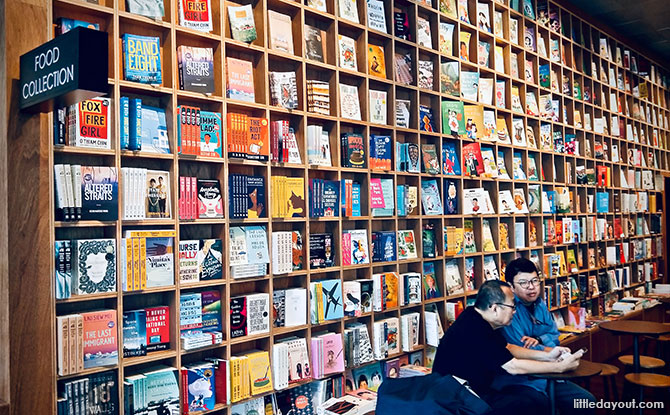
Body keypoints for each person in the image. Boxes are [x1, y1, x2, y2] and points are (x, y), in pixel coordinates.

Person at [432, 280, 584, 415]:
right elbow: (512, 366)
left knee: (533, 399)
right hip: (458, 398)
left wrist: (548, 355)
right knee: (530, 402)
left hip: (471, 391)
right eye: (512, 306)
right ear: (495, 308)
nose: (514, 311)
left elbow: (508, 348)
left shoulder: (476, 317)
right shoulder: (474, 328)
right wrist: (559, 367)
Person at [496, 258, 596, 414]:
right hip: (523, 379)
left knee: (586, 402)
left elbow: (554, 335)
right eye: (524, 283)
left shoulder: (540, 303)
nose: (531, 287)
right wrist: (550, 350)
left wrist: (539, 340)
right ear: (511, 286)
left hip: (550, 373)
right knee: (544, 405)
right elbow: (520, 347)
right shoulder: (509, 310)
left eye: (535, 281)